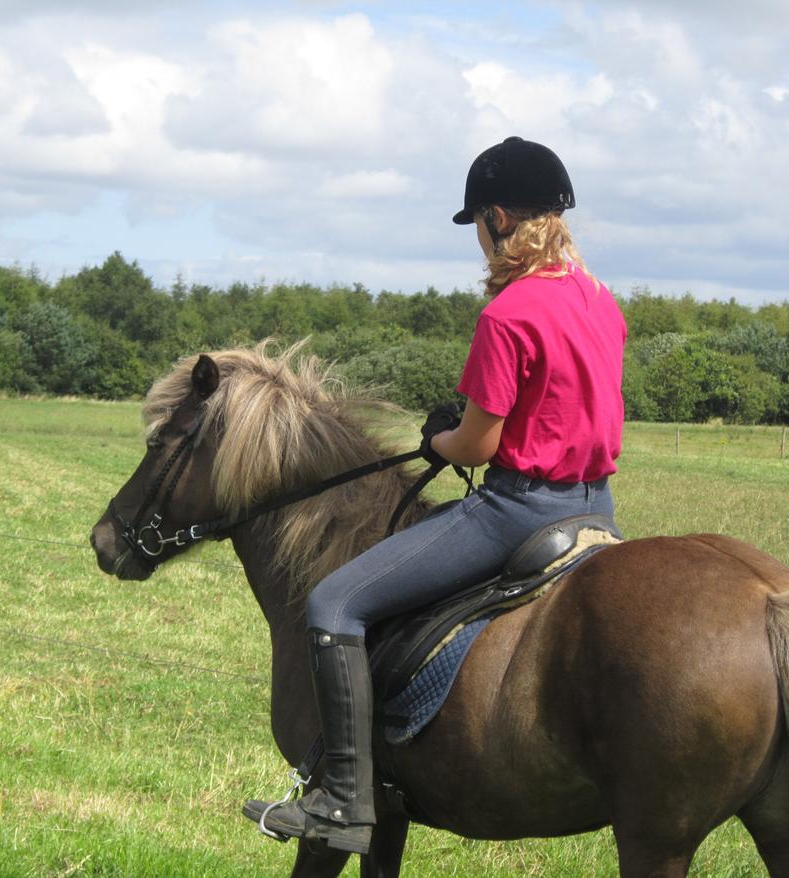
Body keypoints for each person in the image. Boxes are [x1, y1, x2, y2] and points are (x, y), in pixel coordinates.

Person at [244, 136, 628, 854]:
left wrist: (439, 440)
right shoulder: (600, 300)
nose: (481, 241)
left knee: (333, 604)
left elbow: (478, 447)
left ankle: (342, 802)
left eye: (480, 224)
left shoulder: (509, 313)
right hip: (594, 509)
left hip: (519, 511)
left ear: (501, 219)